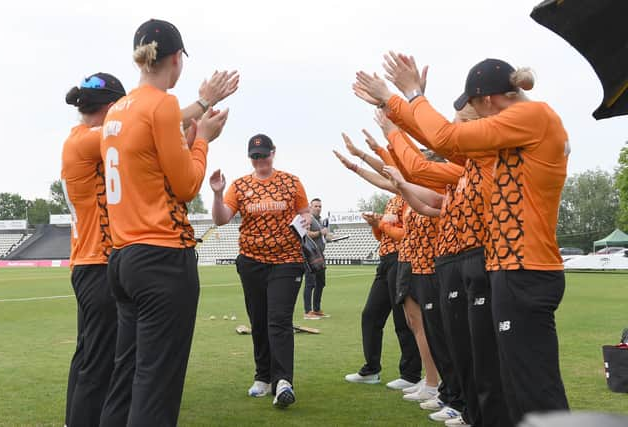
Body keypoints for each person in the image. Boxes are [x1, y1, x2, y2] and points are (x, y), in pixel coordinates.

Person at [355, 55, 570, 425]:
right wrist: (393, 110)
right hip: (509, 268)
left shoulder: (533, 117)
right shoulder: (506, 142)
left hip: (525, 267)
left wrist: (408, 94)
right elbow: (446, 146)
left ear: (487, 102)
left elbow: (444, 138)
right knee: (516, 382)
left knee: (535, 386)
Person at [98, 19, 231, 426]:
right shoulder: (163, 105)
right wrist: (203, 138)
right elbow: (188, 185)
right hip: (161, 258)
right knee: (157, 384)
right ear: (176, 60)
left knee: (127, 376)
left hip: (123, 258)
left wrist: (201, 107)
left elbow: (158, 136)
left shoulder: (118, 109)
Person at [210, 133, 311, 408]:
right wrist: (218, 194)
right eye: (254, 156)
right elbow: (220, 219)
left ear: (273, 152)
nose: (260, 161)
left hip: (287, 261)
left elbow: (305, 212)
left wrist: (305, 218)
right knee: (258, 320)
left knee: (278, 320)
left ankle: (283, 382)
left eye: (264, 155)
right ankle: (262, 377)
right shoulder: (240, 186)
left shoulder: (291, 182)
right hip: (252, 261)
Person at [62, 72, 126, 427]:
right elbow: (137, 128)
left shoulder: (81, 139)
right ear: (112, 107)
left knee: (88, 357)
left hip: (89, 265)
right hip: (98, 264)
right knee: (99, 363)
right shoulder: (87, 140)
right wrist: (202, 106)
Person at [303, 198, 329, 319]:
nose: (318, 208)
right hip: (310, 255)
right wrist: (320, 232)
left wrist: (331, 237)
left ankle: (317, 309)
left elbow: (322, 236)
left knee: (320, 283)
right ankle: (308, 311)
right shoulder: (308, 218)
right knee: (310, 283)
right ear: (310, 207)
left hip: (320, 255)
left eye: (320, 206)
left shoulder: (319, 220)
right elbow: (306, 233)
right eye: (316, 206)